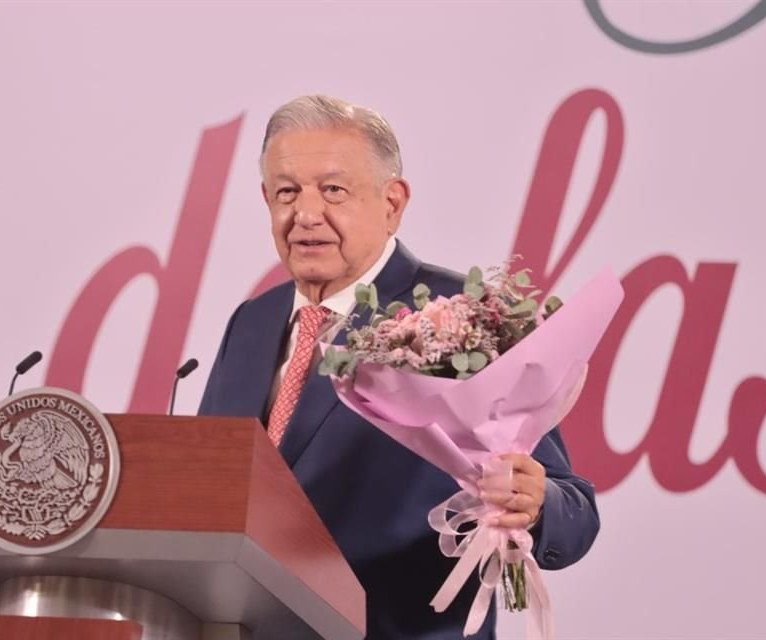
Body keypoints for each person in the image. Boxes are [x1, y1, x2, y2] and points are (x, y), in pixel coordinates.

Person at [198, 95, 599, 639]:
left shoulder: (459, 312)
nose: (306, 214)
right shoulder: (251, 322)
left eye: (333, 190)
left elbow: (571, 507)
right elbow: (207, 489)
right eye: (287, 192)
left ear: (393, 202)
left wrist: (535, 504)